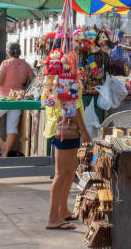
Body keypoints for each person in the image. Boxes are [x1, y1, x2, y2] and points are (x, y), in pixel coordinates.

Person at [43, 91, 91, 230]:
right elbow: (70, 106)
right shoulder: (65, 72)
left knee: (69, 171)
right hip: (65, 127)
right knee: (61, 173)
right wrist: (85, 131)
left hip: (68, 126)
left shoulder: (64, 72)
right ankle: (53, 217)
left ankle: (63, 210)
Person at [0, 42, 34, 157]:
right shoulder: (26, 64)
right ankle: (4, 154)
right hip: (18, 99)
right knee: (12, 126)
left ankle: (2, 145)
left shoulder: (6, 63)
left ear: (8, 52)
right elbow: (33, 81)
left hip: (4, 98)